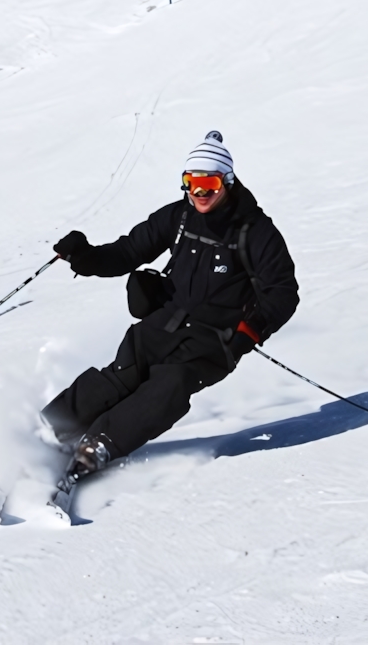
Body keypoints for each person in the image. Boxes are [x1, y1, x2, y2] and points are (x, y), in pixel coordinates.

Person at [41, 131, 299, 486]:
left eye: (208, 183)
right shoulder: (178, 217)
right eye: (191, 182)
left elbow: (282, 292)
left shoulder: (255, 231)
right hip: (163, 323)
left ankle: (96, 448)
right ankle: (48, 431)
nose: (200, 192)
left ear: (227, 180)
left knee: (170, 385)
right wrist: (84, 257)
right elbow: (129, 251)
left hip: (215, 340)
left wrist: (248, 333)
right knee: (122, 373)